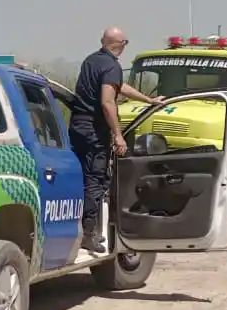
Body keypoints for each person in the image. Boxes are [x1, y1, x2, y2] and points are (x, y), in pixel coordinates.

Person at [68, 27, 162, 254]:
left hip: (77, 127)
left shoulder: (91, 61)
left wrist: (148, 100)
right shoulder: (111, 65)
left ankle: (75, 228)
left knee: (80, 178)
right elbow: (108, 101)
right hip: (93, 131)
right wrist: (118, 135)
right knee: (95, 180)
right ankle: (89, 234)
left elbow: (119, 86)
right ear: (120, 44)